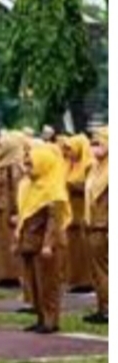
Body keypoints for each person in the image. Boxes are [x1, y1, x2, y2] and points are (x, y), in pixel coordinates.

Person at [15, 143, 71, 335]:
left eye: (31, 165)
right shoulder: (29, 187)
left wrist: (48, 244)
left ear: (43, 164)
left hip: (47, 245)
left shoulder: (53, 188)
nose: (27, 169)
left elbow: (54, 221)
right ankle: (40, 318)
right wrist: (18, 239)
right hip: (30, 243)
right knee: (34, 284)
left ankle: (51, 320)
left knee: (49, 284)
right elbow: (23, 216)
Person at [0, 131, 28, 296]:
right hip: (0, 209)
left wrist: (16, 211)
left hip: (9, 211)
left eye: (1, 145)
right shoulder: (1, 164)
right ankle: (6, 274)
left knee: (11, 242)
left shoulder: (14, 166)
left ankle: (14, 275)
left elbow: (17, 191)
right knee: (1, 243)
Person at [61, 134, 94, 293]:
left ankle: (87, 281)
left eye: (70, 149)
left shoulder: (89, 165)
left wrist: (73, 186)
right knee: (72, 250)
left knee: (83, 249)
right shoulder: (69, 165)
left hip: (82, 213)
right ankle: (75, 280)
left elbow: (92, 188)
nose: (67, 152)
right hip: (70, 214)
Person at [83, 126, 108, 325]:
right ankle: (102, 306)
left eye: (98, 143)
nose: (94, 147)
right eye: (92, 143)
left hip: (105, 226)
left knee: (106, 270)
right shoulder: (93, 168)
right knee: (97, 271)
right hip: (91, 225)